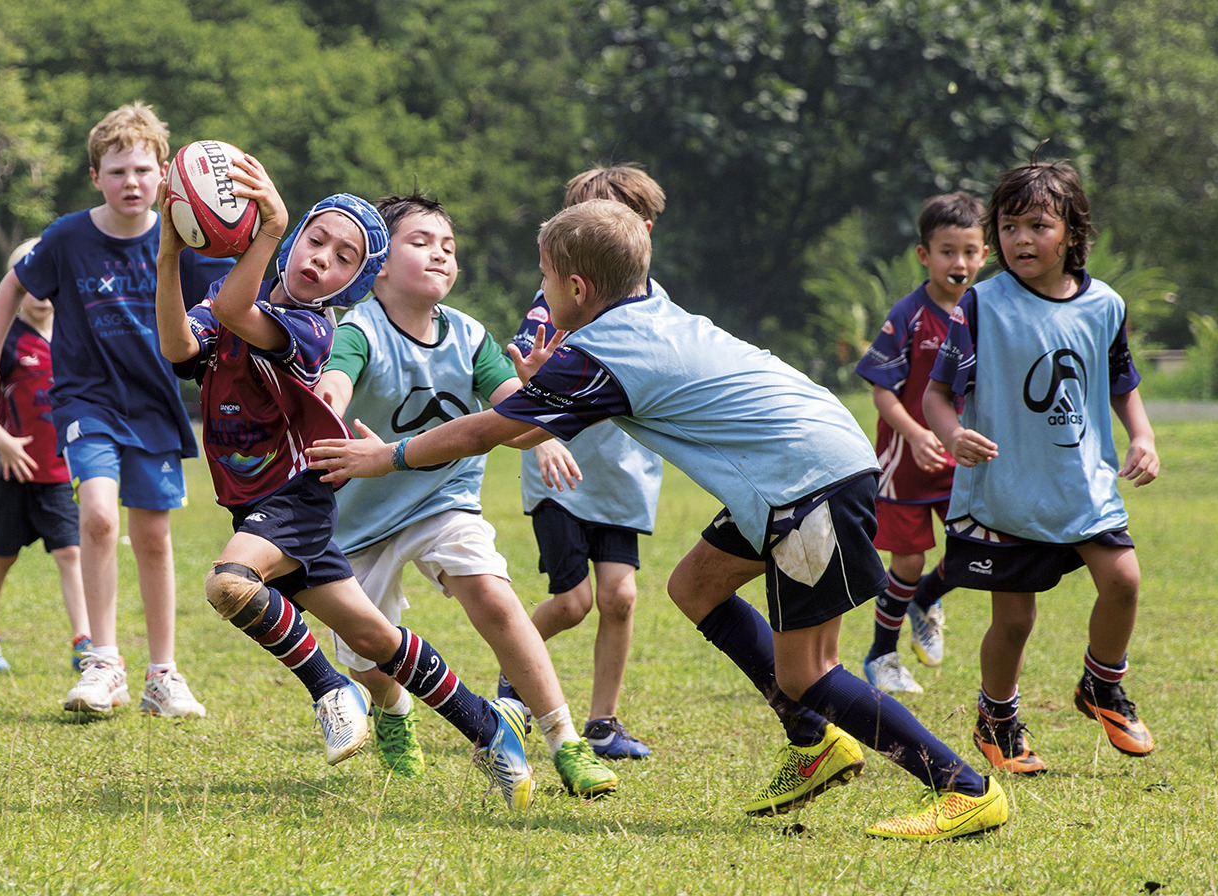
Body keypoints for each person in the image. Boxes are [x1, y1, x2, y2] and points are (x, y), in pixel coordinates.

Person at [308, 198, 1010, 841]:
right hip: (799, 464)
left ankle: (964, 788)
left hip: (808, 482)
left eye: (546, 280)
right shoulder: (644, 303)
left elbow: (482, 432)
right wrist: (548, 375)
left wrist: (387, 456)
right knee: (696, 586)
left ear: (576, 289)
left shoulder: (599, 352)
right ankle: (816, 745)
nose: (542, 295)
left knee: (809, 672)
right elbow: (522, 422)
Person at [153, 164, 537, 810]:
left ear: (356, 281)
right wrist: (168, 255)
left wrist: (268, 227)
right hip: (258, 505)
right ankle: (489, 728)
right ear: (299, 238)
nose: (322, 260)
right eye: (316, 240)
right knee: (376, 639)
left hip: (293, 500)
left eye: (344, 258)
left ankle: (332, 690)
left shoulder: (313, 331)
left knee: (227, 583)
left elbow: (228, 311)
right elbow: (177, 345)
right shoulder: (233, 293)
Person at [314, 190, 619, 798]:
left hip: (443, 501)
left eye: (449, 247)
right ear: (377, 261)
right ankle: (393, 708)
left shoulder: (471, 336)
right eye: (421, 242)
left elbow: (515, 419)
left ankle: (565, 742)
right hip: (360, 522)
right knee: (366, 655)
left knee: (493, 592)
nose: (441, 255)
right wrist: (331, 412)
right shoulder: (358, 331)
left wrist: (543, 411)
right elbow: (334, 385)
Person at [0, 102, 231, 718]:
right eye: (116, 172)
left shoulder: (186, 241)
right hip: (87, 399)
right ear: (95, 178)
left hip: (158, 406)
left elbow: (231, 299)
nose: (130, 182)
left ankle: (162, 674)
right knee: (100, 518)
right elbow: (13, 285)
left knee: (155, 539)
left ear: (166, 174)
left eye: (142, 169)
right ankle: (104, 662)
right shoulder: (68, 237)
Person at [923, 157, 1159, 775]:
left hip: (1083, 487)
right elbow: (936, 395)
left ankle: (1101, 686)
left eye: (1037, 225)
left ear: (1073, 234)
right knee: (1016, 619)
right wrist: (955, 436)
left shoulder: (1105, 304)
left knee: (1124, 581)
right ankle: (996, 718)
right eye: (1008, 226)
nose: (1020, 239)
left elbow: (1120, 379)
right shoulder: (982, 305)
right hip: (1007, 493)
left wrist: (1142, 435)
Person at [502, 166, 665, 759]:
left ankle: (603, 723)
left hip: (625, 476)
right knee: (573, 604)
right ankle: (513, 674)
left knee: (620, 597)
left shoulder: (656, 312)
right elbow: (521, 372)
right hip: (561, 474)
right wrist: (537, 414)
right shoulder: (553, 304)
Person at [854, 192, 987, 694]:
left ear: (985, 254)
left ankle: (926, 597)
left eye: (970, 251)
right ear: (924, 256)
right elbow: (881, 390)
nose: (960, 263)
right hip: (905, 460)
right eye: (948, 251)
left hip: (965, 457)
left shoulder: (986, 313)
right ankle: (881, 657)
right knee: (906, 562)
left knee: (976, 547)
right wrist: (914, 434)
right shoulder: (909, 314)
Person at [0, 238, 90, 673]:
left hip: (57, 473)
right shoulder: (6, 341)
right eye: (28, 286)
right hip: (9, 475)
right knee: (3, 555)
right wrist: (2, 441)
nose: (39, 296)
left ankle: (84, 643)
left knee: (70, 553)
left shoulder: (73, 336)